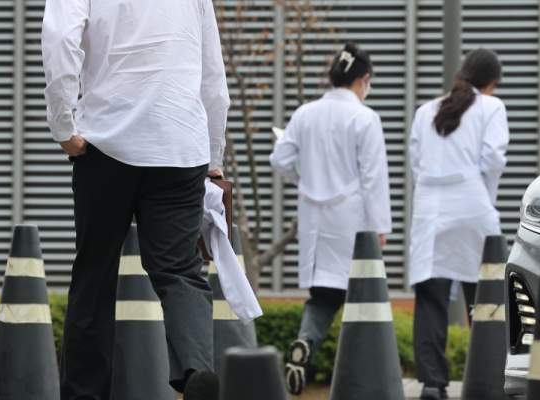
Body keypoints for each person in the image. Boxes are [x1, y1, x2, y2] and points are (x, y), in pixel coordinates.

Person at [41, 0, 229, 399]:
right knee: (180, 270)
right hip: (180, 145)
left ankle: (85, 394)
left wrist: (62, 125)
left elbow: (60, 39)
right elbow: (213, 74)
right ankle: (195, 369)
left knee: (95, 273)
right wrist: (214, 158)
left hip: (106, 144)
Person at [270, 43, 392, 396]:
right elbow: (373, 177)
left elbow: (279, 160)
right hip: (351, 218)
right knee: (361, 294)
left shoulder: (305, 113)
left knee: (323, 293)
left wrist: (305, 179)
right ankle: (358, 371)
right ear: (363, 79)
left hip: (313, 218)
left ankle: (306, 341)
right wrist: (379, 226)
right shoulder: (364, 118)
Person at [408, 48, 509, 400]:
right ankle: (487, 378)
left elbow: (416, 162)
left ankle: (432, 384)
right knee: (484, 296)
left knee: (430, 298)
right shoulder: (491, 107)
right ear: (491, 82)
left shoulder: (426, 110)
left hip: (429, 208)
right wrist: (484, 198)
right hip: (472, 201)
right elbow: (493, 159)